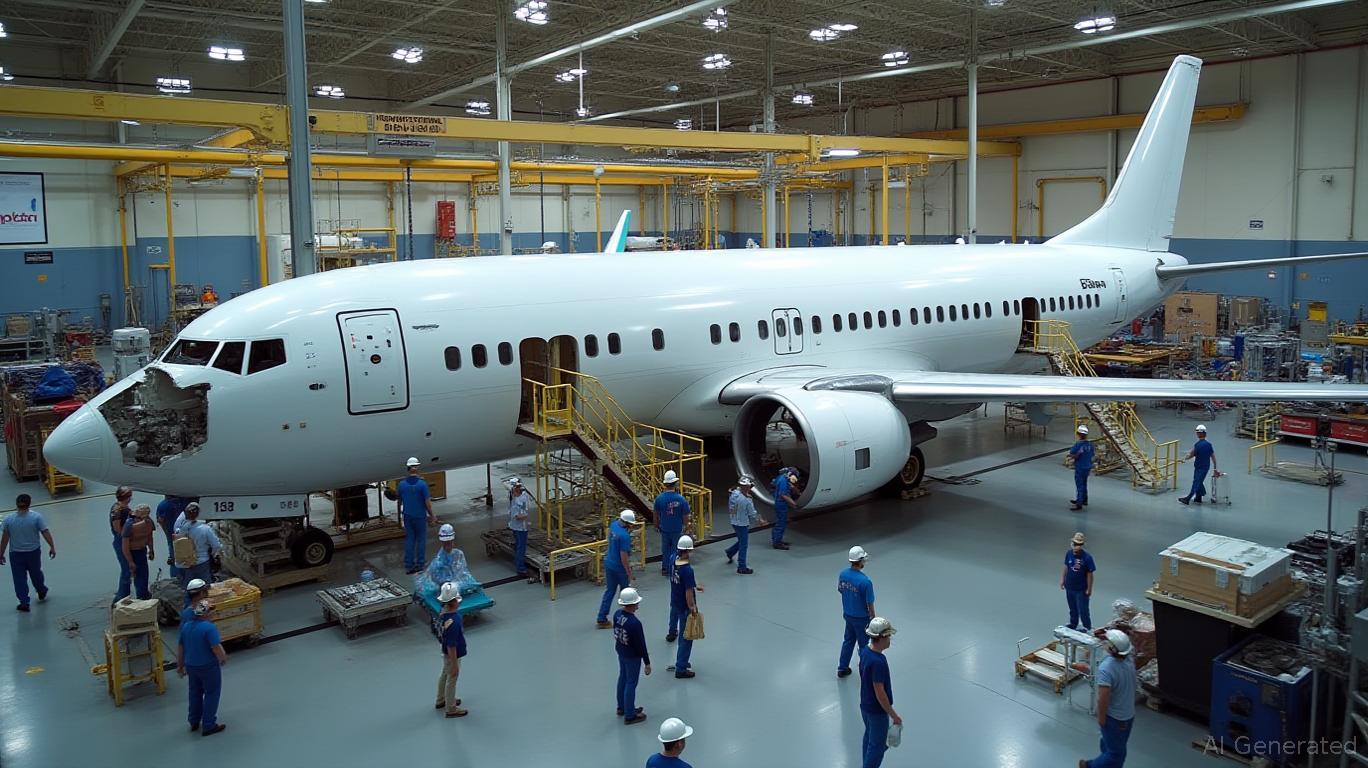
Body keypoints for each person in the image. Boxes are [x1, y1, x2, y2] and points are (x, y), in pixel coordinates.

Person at [1080, 630, 1136, 768]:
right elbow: (1103, 698)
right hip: (1119, 718)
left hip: (1120, 717)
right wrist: (1102, 718)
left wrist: (1101, 718)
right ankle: (1089, 766)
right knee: (1116, 755)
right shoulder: (1127, 660)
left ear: (1112, 649)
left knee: (1111, 748)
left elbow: (1103, 698)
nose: (1104, 642)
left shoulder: (1107, 667)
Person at [177, 598, 228, 737]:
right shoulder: (208, 628)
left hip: (191, 666)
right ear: (205, 613)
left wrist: (180, 665)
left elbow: (181, 647)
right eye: (211, 611)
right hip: (208, 666)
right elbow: (216, 647)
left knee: (195, 692)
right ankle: (208, 725)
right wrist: (223, 658)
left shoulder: (186, 626)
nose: (212, 614)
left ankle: (194, 720)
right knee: (212, 693)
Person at [859, 617, 901, 768]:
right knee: (877, 747)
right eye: (888, 636)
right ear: (881, 638)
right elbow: (880, 693)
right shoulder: (878, 662)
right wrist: (893, 715)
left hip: (865, 706)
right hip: (877, 711)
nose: (890, 639)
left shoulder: (865, 652)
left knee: (869, 738)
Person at [1, 494, 55, 612]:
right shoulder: (36, 517)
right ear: (29, 503)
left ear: (16, 504)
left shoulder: (8, 520)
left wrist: (1, 553)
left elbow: (5, 538)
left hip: (16, 554)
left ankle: (24, 602)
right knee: (36, 574)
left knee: (19, 578)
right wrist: (52, 546)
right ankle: (41, 590)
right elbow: (45, 532)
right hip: (33, 553)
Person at [613, 586, 651, 725]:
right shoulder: (635, 623)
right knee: (631, 682)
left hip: (621, 650)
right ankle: (630, 715)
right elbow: (641, 644)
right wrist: (647, 662)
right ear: (633, 604)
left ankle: (622, 707)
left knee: (623, 677)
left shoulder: (617, 614)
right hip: (632, 656)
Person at [597, 510, 640, 628]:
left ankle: (601, 618)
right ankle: (626, 618)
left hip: (609, 563)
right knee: (626, 593)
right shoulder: (624, 536)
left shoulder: (614, 525)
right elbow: (623, 557)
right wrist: (629, 573)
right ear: (627, 523)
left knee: (610, 591)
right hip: (619, 568)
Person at [837, 546, 876, 678]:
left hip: (848, 614)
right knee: (864, 645)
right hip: (862, 618)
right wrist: (873, 618)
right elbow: (869, 602)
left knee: (848, 640)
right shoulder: (865, 582)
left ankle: (842, 668)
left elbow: (841, 590)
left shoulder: (843, 574)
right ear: (861, 561)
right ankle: (865, 671)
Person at [175, 503, 222, 603]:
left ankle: (188, 608)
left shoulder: (179, 528)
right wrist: (214, 555)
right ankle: (204, 609)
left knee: (187, 591)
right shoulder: (205, 529)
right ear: (198, 514)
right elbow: (216, 545)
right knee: (204, 590)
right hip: (201, 563)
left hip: (183, 564)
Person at [668, 535, 702, 675]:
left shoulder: (672, 559)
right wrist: (692, 608)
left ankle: (682, 659)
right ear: (688, 551)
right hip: (684, 606)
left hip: (675, 599)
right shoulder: (687, 570)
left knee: (681, 633)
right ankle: (681, 668)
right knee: (687, 637)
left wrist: (693, 585)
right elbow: (688, 593)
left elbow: (681, 581)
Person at [397, 457, 437, 574]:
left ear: (408, 468)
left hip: (407, 516)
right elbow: (427, 503)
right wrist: (432, 516)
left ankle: (409, 565)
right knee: (421, 540)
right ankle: (420, 564)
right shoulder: (422, 485)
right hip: (420, 516)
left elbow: (399, 501)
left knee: (410, 539)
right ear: (417, 467)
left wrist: (401, 515)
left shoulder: (402, 485)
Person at [435, 581, 468, 717]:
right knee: (452, 677)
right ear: (454, 602)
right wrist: (455, 664)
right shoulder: (454, 621)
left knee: (445, 674)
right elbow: (452, 646)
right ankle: (451, 708)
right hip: (452, 655)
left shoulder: (443, 614)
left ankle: (441, 699)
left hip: (445, 653)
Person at [653, 470, 691, 578]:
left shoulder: (659, 499)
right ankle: (675, 567)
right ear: (675, 483)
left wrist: (656, 525)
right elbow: (685, 516)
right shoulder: (681, 499)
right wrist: (687, 528)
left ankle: (665, 568)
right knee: (676, 549)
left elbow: (655, 514)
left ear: (665, 484)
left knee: (665, 549)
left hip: (664, 529)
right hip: (677, 529)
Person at [724, 476, 760, 574]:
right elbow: (752, 514)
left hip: (734, 521)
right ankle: (742, 567)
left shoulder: (734, 494)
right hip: (742, 524)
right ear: (747, 487)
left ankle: (730, 552)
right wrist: (760, 520)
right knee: (744, 544)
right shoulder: (746, 500)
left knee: (742, 540)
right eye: (750, 486)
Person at [120, 504, 156, 601]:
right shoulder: (129, 525)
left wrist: (151, 550)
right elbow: (125, 546)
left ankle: (143, 594)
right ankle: (137, 596)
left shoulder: (148, 523)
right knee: (135, 575)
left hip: (142, 550)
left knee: (144, 574)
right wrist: (130, 561)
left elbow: (150, 537)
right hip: (132, 552)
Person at [1062, 532, 1096, 631]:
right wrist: (1062, 580)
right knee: (1072, 608)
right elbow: (1066, 567)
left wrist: (1089, 589)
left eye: (1079, 544)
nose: (1077, 546)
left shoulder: (1087, 558)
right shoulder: (1069, 554)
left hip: (1081, 589)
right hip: (1070, 587)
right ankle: (1073, 623)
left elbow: (1090, 574)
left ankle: (1086, 627)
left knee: (1083, 610)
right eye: (1075, 544)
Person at [1179, 425, 1219, 505]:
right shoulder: (1209, 445)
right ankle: (1198, 497)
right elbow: (1213, 457)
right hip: (1205, 467)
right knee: (1199, 481)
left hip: (1199, 467)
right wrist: (1215, 468)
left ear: (1198, 434)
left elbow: (1191, 454)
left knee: (1196, 482)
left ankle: (1188, 498)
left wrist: (1184, 458)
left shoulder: (1197, 445)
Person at [109, 485, 134, 604]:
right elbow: (118, 529)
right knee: (127, 569)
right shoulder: (120, 510)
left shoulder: (118, 508)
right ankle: (121, 597)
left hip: (121, 539)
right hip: (122, 541)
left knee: (127, 569)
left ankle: (124, 595)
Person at [507, 477, 534, 581]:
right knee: (520, 547)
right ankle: (521, 568)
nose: (518, 488)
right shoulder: (515, 500)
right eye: (516, 487)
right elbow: (518, 516)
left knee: (519, 546)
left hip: (519, 526)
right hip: (519, 528)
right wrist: (524, 516)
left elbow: (525, 509)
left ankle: (519, 563)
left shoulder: (522, 496)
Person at [156, 495, 189, 576]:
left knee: (175, 556)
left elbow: (160, 520)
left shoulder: (164, 504)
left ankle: (178, 577)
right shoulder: (183, 501)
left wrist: (167, 533)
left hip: (174, 534)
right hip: (183, 534)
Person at [1068, 426, 1095, 511]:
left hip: (1080, 467)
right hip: (1087, 467)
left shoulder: (1078, 444)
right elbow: (1092, 455)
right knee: (1084, 483)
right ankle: (1084, 500)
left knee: (1080, 485)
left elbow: (1073, 454)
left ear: (1078, 434)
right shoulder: (1090, 445)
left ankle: (1079, 503)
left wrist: (1075, 455)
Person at [772, 469, 799, 549]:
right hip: (781, 505)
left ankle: (777, 540)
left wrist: (795, 489)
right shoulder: (783, 481)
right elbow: (784, 495)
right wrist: (794, 504)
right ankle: (777, 543)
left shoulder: (782, 477)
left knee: (779, 523)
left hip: (779, 503)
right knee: (781, 524)